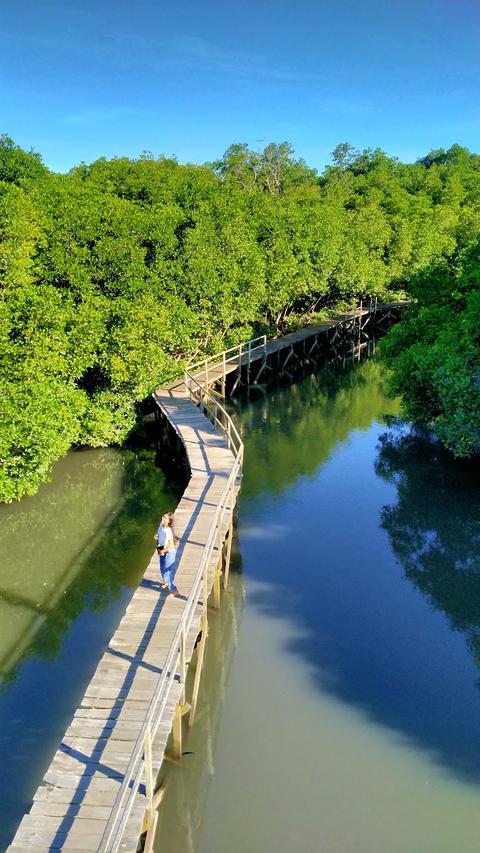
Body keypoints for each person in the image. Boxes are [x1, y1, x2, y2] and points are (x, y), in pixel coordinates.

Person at [154, 511, 178, 596]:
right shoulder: (161, 525)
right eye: (163, 517)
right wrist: (157, 536)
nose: (162, 518)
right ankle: (166, 582)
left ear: (169, 521)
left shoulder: (168, 531)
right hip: (162, 549)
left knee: (168, 572)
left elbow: (171, 545)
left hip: (168, 552)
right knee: (162, 568)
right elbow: (159, 532)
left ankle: (174, 590)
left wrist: (163, 551)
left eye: (165, 518)